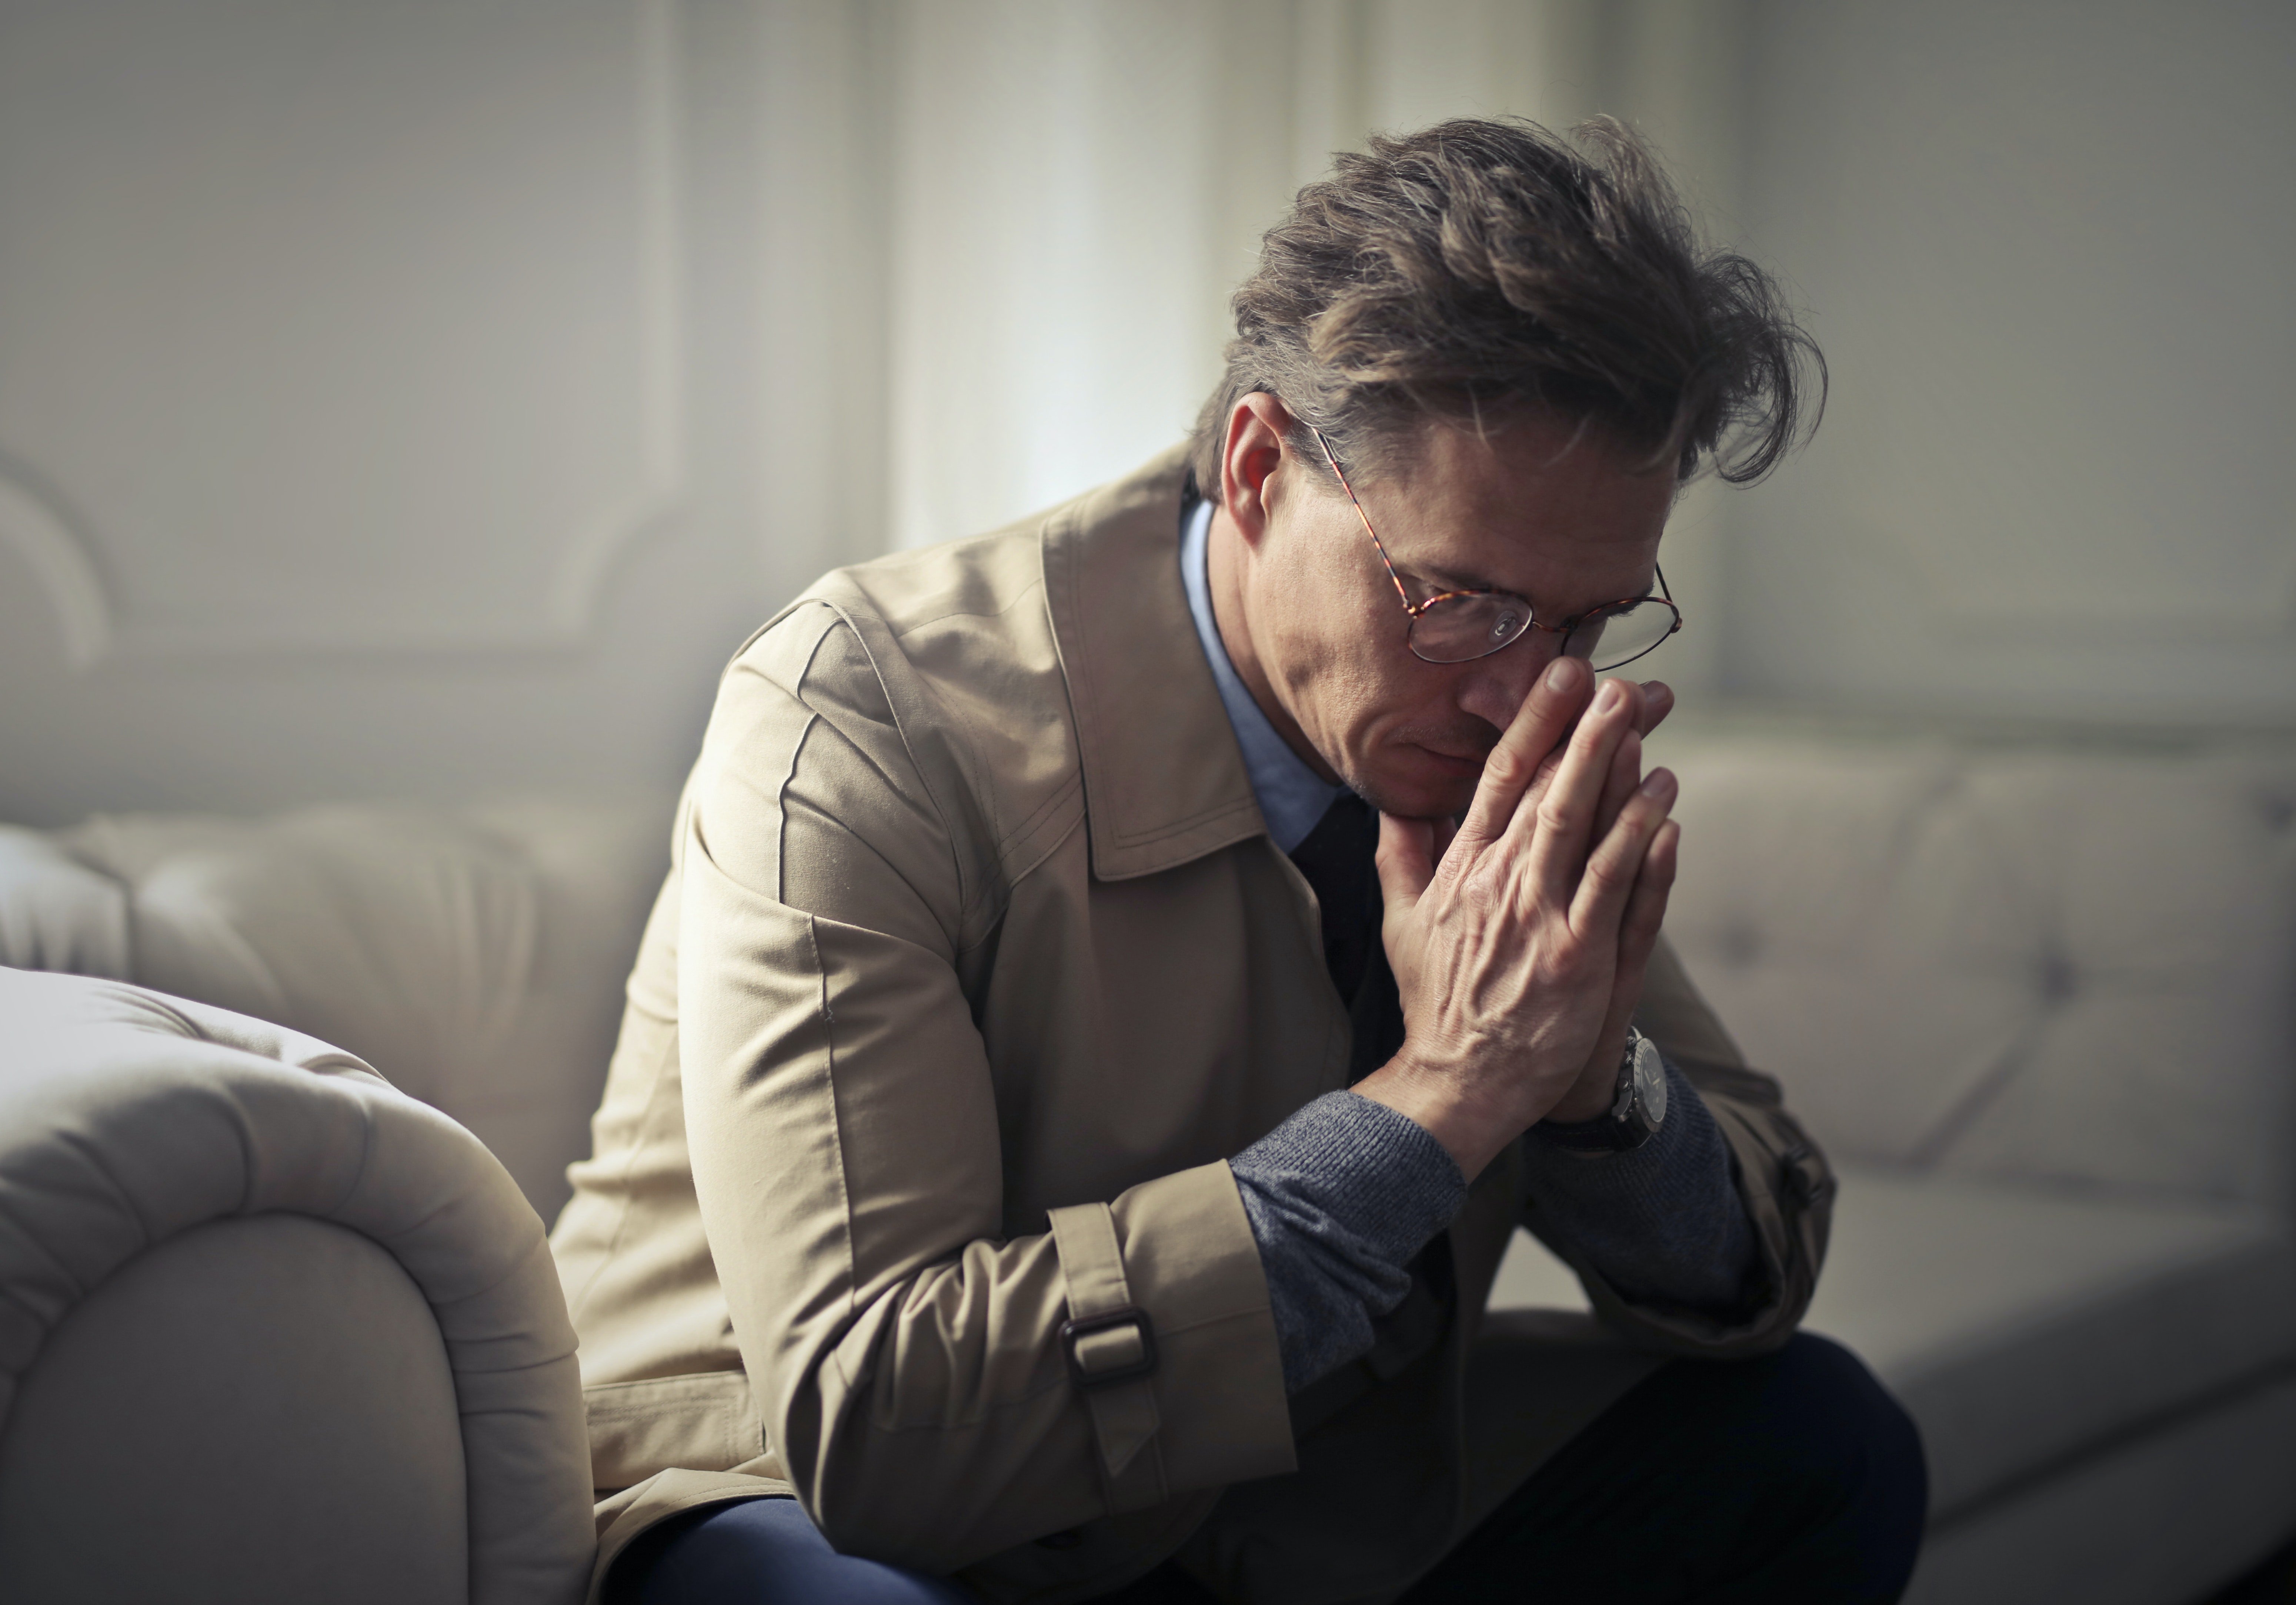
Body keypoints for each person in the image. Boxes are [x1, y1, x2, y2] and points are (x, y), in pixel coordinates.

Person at [551, 116, 1927, 1604]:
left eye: (1585, 620)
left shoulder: (1486, 735)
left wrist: (1591, 1084)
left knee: (1819, 1441)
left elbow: (1757, 1265)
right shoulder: (861, 710)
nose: (1518, 687)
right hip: (802, 1504)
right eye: (1457, 599)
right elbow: (882, 1421)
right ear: (1264, 466)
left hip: (1266, 1490)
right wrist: (1445, 1100)